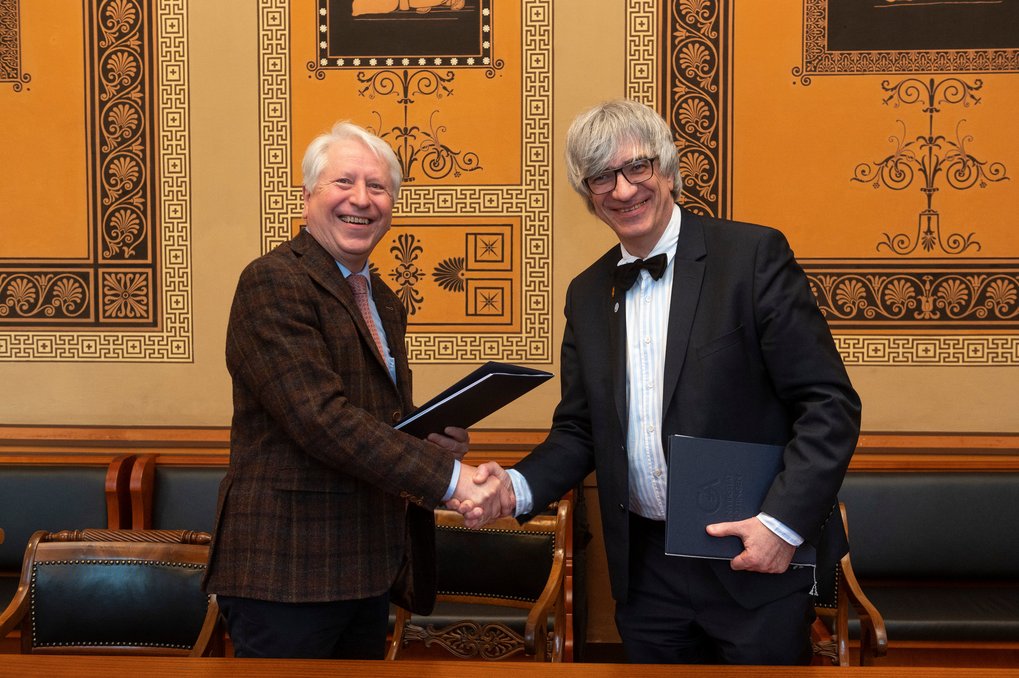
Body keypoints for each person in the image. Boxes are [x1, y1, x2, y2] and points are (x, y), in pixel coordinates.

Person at [464, 99, 861, 665]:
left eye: (637, 168)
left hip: (754, 562)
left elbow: (829, 404)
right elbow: (580, 429)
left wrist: (781, 526)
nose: (623, 190)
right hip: (648, 576)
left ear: (669, 170)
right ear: (588, 194)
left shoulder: (751, 257)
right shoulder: (587, 292)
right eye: (601, 177)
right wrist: (516, 487)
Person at [203, 121, 503, 659]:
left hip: (365, 566)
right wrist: (449, 478)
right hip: (286, 571)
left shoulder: (381, 296)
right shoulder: (273, 281)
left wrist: (429, 438)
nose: (361, 200)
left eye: (379, 187)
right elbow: (322, 419)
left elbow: (379, 418)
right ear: (307, 196)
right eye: (344, 182)